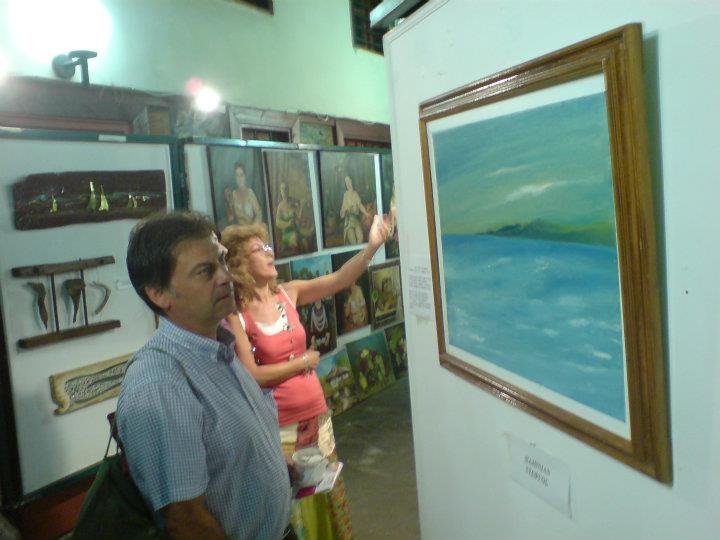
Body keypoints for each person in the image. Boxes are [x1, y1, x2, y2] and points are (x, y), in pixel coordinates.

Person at [117, 210, 293, 540]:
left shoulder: (219, 350)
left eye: (222, 261)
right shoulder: (161, 384)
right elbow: (187, 522)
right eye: (205, 271)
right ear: (159, 293)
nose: (226, 277)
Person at [220, 212, 391, 540]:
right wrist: (303, 362)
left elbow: (340, 279)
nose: (269, 252)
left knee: (325, 496)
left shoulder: (289, 293)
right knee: (292, 505)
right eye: (259, 249)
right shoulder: (236, 315)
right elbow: (253, 375)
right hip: (280, 426)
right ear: (240, 263)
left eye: (268, 246)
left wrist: (372, 247)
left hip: (317, 415)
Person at [230, 162, 264, 227]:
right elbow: (231, 216)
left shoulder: (250, 193)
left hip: (250, 228)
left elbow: (259, 214)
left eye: (241, 175)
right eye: (237, 175)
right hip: (238, 229)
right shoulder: (233, 194)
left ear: (245, 176)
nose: (239, 179)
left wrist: (254, 226)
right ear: (235, 177)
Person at [339, 175, 370, 245]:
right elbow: (343, 209)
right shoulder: (345, 195)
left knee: (360, 237)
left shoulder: (355, 194)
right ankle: (356, 251)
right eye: (346, 182)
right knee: (352, 240)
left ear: (351, 181)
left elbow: (360, 205)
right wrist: (343, 211)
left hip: (355, 220)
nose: (348, 183)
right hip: (349, 221)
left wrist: (366, 213)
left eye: (348, 181)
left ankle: (358, 250)